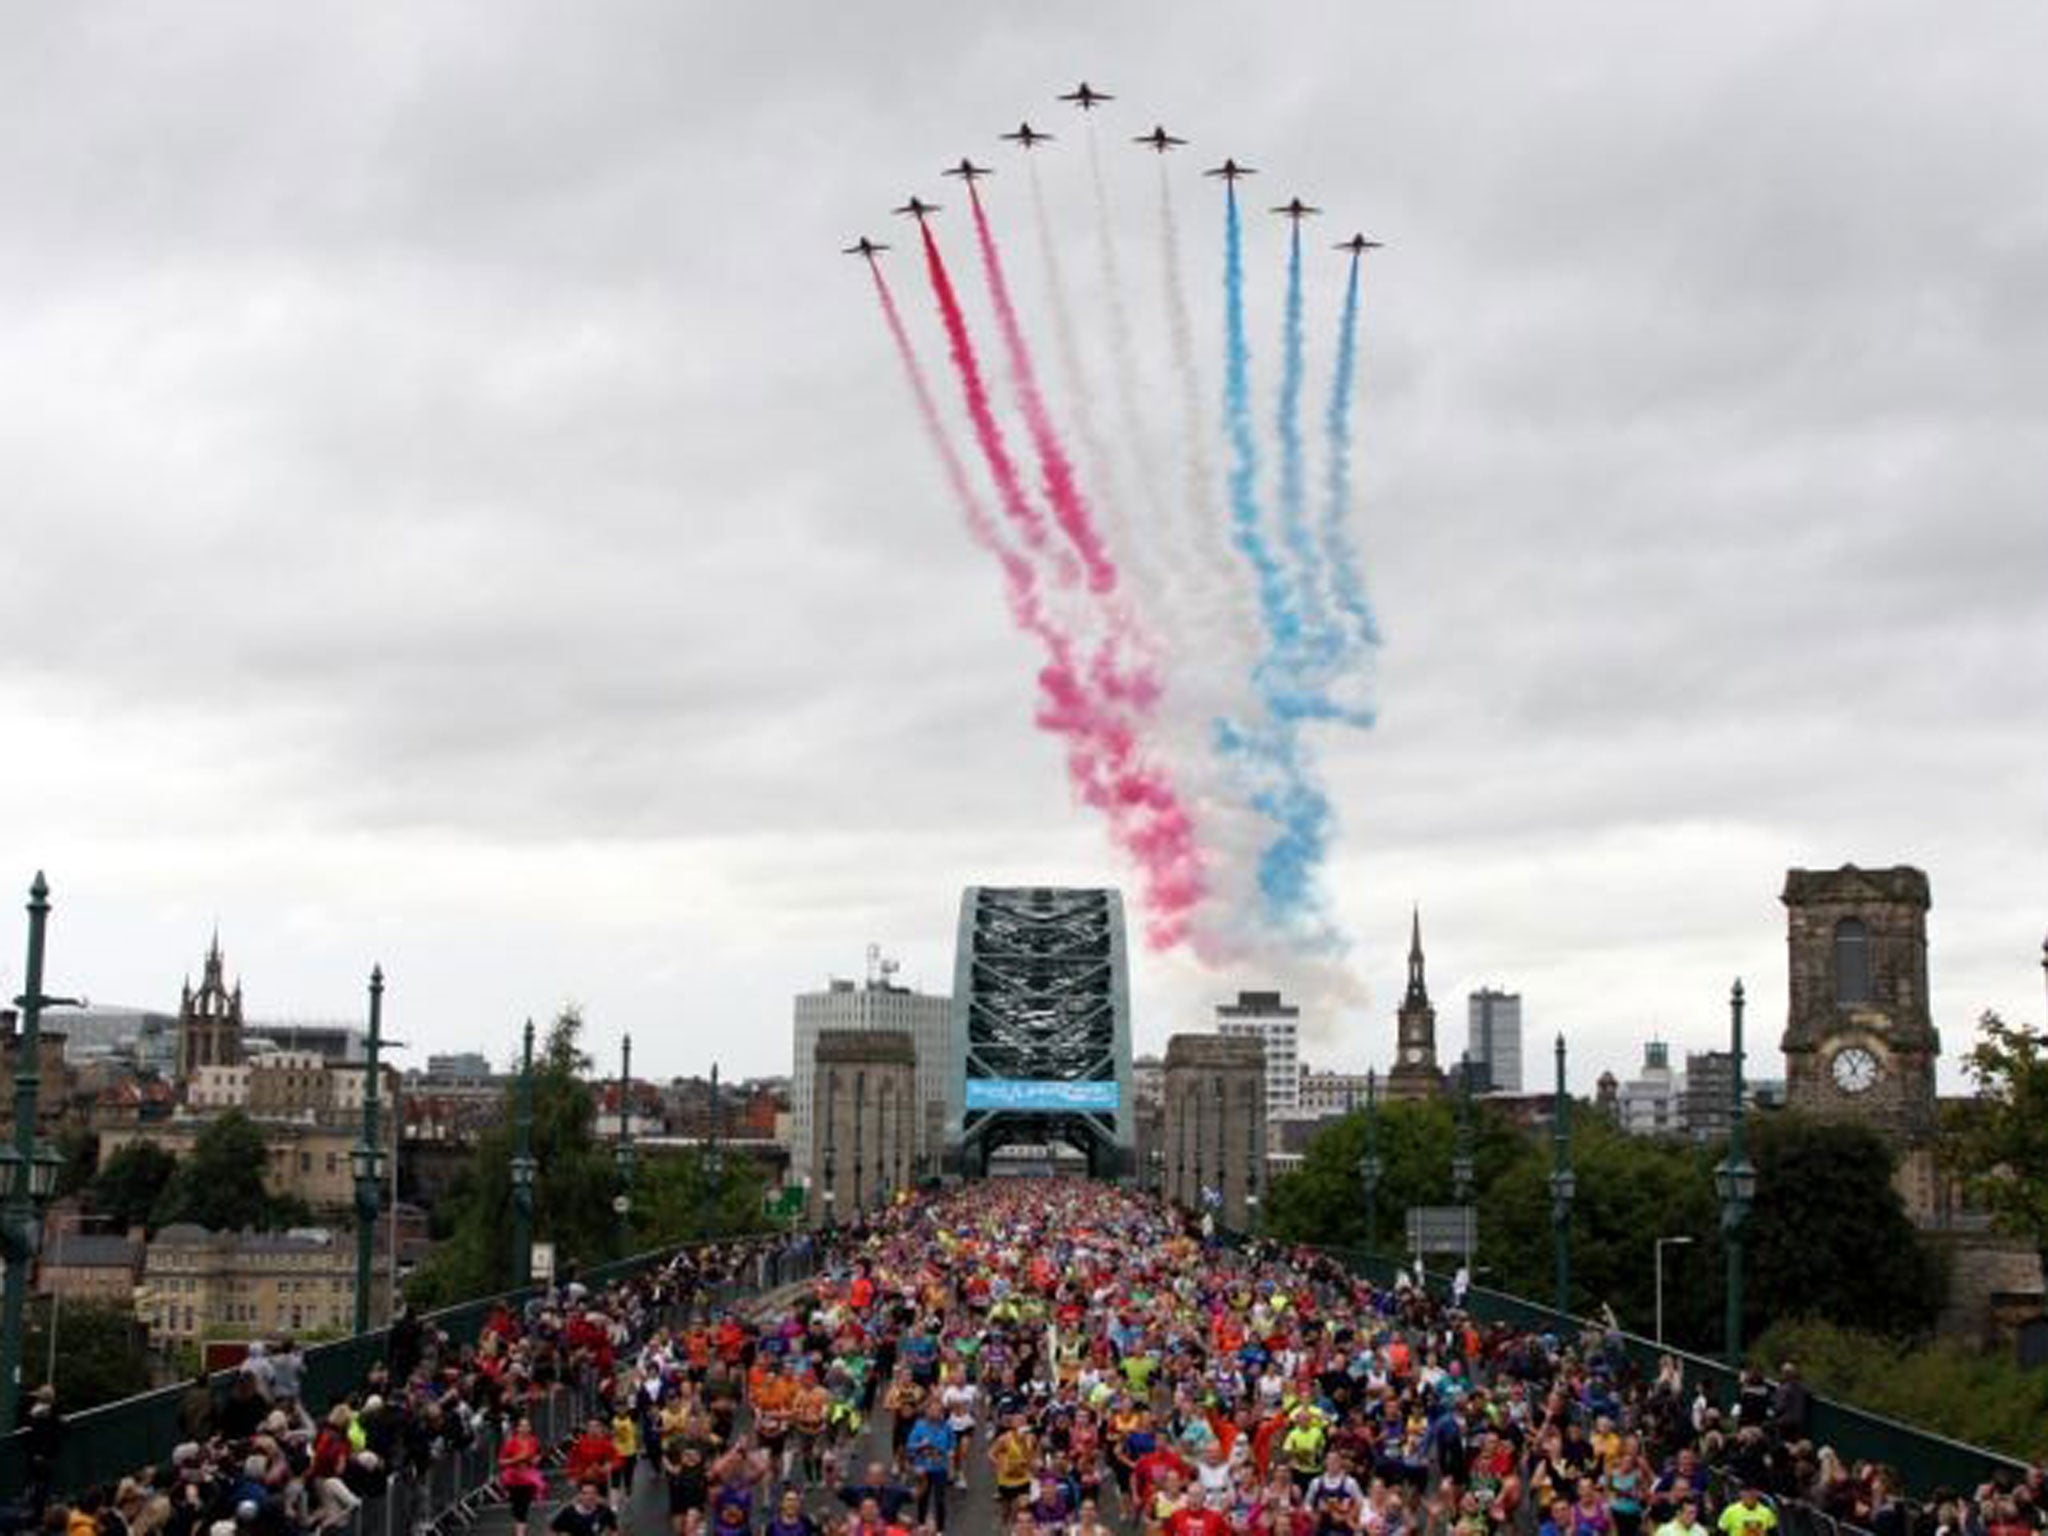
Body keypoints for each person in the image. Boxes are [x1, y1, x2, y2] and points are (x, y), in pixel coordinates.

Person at [905, 1400, 956, 1532]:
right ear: (926, 1411)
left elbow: (952, 1446)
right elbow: (909, 1446)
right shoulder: (919, 1426)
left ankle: (940, 1530)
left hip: (940, 1468)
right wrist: (921, 1445)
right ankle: (921, 1525)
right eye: (932, 1410)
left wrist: (951, 1466)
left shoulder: (947, 1426)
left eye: (939, 1410)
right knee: (923, 1498)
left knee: (940, 1500)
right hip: (923, 1469)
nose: (936, 1413)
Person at [498, 1415, 548, 1536]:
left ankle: (520, 1533)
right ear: (518, 1428)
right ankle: (519, 1531)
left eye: (527, 1426)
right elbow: (501, 1461)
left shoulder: (533, 1440)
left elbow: (539, 1454)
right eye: (522, 1426)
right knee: (516, 1508)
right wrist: (516, 1459)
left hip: (528, 1477)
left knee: (523, 1508)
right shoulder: (511, 1442)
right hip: (513, 1478)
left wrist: (536, 1459)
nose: (525, 1428)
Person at [550, 1481, 619, 1536]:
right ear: (579, 1495)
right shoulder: (569, 1512)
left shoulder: (604, 1511)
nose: (589, 1497)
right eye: (585, 1493)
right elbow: (553, 1530)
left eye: (593, 1493)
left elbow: (614, 1530)